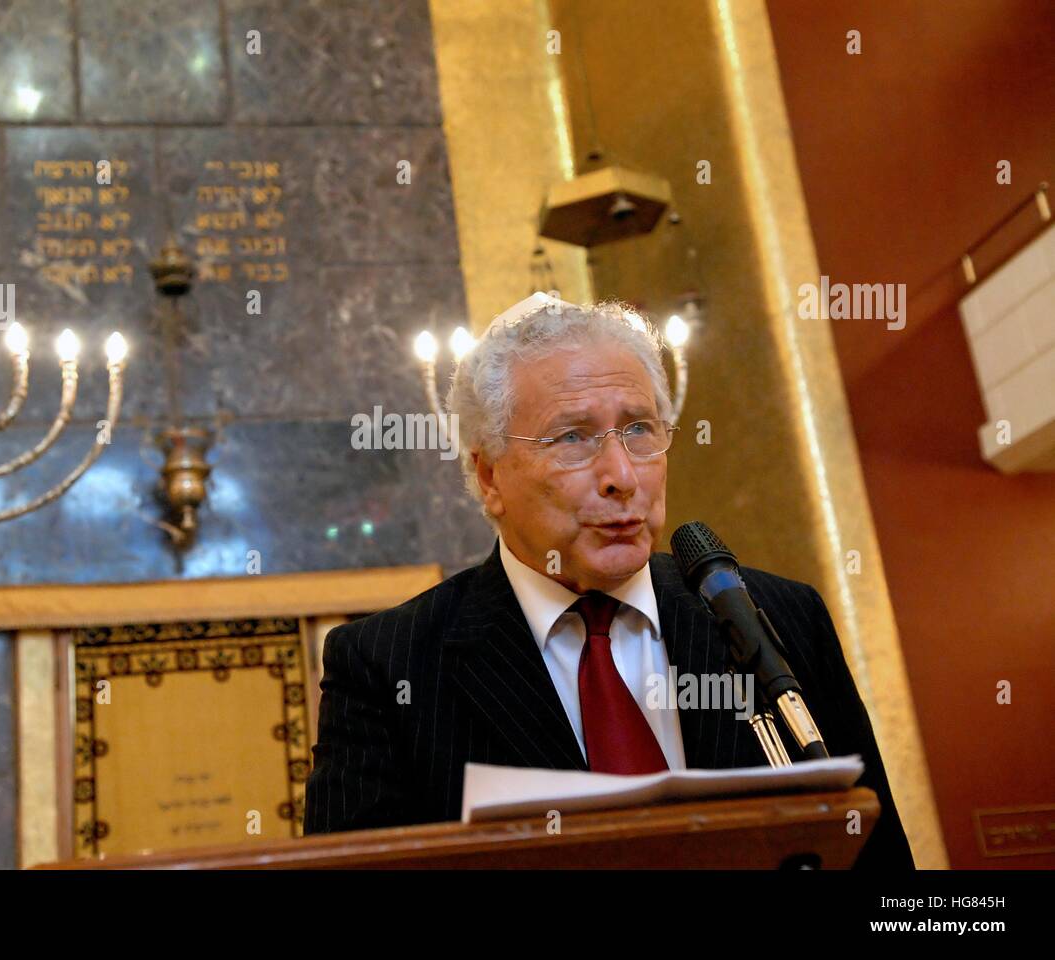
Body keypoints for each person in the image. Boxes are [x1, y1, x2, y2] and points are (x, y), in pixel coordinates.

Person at [304, 292, 915, 869]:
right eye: (573, 437)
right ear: (490, 477)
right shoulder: (388, 666)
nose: (622, 475)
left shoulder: (776, 615)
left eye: (641, 429)